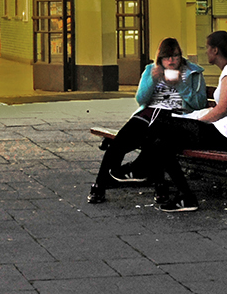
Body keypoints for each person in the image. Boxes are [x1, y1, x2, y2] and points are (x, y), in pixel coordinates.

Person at [135, 30, 227, 213]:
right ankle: (185, 196)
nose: (206, 51)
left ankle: (139, 168)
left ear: (215, 50)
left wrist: (197, 120)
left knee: (159, 127)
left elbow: (221, 110)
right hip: (220, 131)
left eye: (207, 48)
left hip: (226, 136)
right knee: (161, 142)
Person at [88, 38, 207, 204]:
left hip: (176, 116)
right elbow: (140, 98)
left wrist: (180, 85)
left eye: (175, 57)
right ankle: (100, 184)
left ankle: (157, 184)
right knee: (120, 141)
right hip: (148, 113)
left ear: (181, 56)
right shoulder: (151, 70)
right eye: (167, 57)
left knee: (156, 142)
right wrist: (152, 79)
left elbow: (199, 103)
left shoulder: (193, 72)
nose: (171, 61)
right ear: (160, 59)